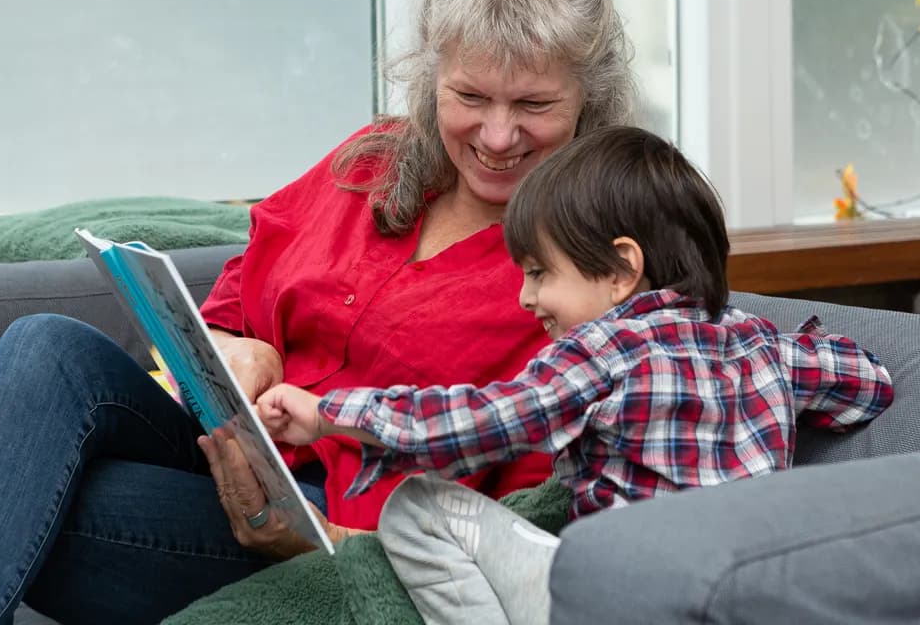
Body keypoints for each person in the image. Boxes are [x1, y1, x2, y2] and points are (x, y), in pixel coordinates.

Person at [0, 0, 637, 625]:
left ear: (589, 102)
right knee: (44, 350)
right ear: (430, 79)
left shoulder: (591, 272)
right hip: (226, 447)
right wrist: (241, 350)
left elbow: (521, 533)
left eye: (533, 105)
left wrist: (314, 545)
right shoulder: (370, 161)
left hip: (328, 536)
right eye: (469, 97)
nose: (497, 136)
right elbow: (234, 299)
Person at [257, 125, 895, 625]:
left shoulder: (602, 352)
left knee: (415, 506)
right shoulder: (762, 345)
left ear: (620, 269)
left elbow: (479, 424)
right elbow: (870, 386)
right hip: (737, 603)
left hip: (621, 601)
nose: (527, 299)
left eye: (539, 273)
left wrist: (330, 415)